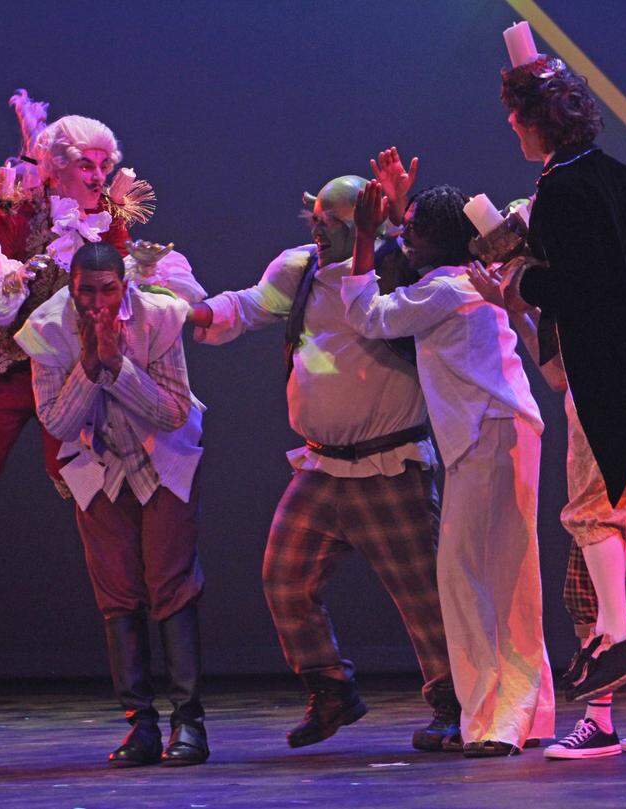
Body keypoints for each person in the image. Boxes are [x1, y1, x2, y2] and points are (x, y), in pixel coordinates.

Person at [482, 30, 626, 759]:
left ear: (534, 120)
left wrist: (518, 281)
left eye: (517, 116)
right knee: (596, 553)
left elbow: (581, 288)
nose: (512, 128)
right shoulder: (625, 182)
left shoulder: (564, 190)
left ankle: (618, 651)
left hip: (610, 387)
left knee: (593, 525)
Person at [186, 175, 459, 751]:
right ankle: (331, 688)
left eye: (331, 219)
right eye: (316, 215)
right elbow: (254, 305)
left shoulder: (397, 268)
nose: (317, 226)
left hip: (389, 464)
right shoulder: (299, 267)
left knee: (425, 596)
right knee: (284, 579)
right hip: (320, 469)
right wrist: (200, 314)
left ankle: (453, 703)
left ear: (365, 224)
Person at [0, 91, 168, 641]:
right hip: (8, 363)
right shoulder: (25, 204)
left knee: (77, 475)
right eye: (86, 164)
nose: (99, 176)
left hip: (63, 371)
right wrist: (30, 162)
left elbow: (121, 281)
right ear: (59, 167)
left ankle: (126, 595)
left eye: (105, 165)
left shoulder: (110, 220)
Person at [341, 174, 555, 756]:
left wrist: (365, 236)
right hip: (495, 432)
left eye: (411, 231)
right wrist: (391, 220)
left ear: (432, 242)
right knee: (501, 574)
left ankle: (497, 717)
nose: (403, 240)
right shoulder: (456, 283)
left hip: (491, 433)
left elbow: (369, 315)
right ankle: (520, 715)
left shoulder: (446, 290)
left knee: (473, 578)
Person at [15, 241, 209, 767]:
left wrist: (118, 367)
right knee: (119, 595)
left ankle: (188, 725)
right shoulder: (48, 329)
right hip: (97, 466)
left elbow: (171, 412)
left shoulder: (160, 317)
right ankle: (140, 727)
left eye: (107, 290)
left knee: (170, 585)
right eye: (85, 293)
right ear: (70, 289)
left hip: (160, 459)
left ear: (123, 286)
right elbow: (55, 423)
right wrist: (89, 364)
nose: (97, 304)